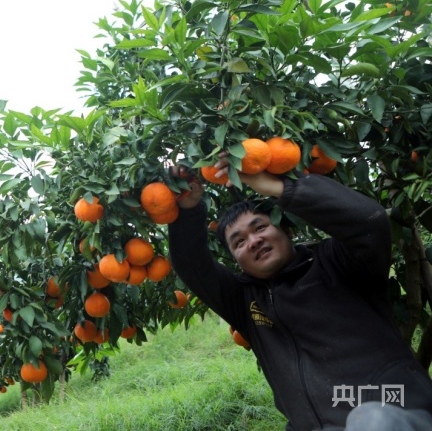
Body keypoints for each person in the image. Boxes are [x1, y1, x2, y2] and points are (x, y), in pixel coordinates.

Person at [169, 156, 432, 430]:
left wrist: (281, 188)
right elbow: (193, 267)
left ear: (286, 230)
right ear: (236, 260)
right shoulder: (244, 301)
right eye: (239, 242)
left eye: (260, 227)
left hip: (397, 415)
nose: (254, 241)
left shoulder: (339, 263)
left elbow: (370, 222)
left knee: (374, 420)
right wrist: (187, 210)